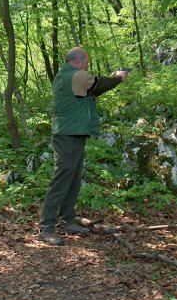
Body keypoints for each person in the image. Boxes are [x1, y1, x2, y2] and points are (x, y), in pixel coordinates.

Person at [39, 47, 129, 245]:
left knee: (73, 179)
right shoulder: (75, 75)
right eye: (86, 62)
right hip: (68, 135)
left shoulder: (68, 76)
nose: (87, 66)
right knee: (62, 180)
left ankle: (67, 220)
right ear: (78, 61)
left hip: (72, 133)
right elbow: (98, 84)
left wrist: (112, 78)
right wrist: (119, 78)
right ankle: (46, 228)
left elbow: (90, 91)